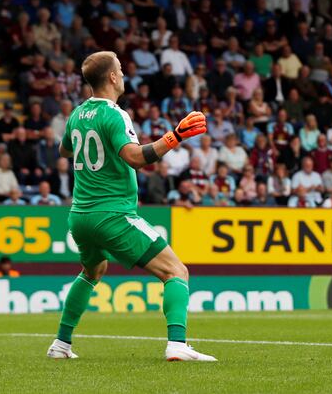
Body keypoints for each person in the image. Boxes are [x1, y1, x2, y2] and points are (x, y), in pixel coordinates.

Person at [46, 51, 215, 362]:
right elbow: (135, 158)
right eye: (120, 70)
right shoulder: (115, 114)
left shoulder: (77, 114)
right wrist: (175, 136)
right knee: (176, 271)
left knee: (92, 270)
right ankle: (177, 344)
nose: (122, 75)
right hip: (112, 214)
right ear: (111, 77)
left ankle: (61, 344)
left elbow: (65, 148)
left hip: (80, 216)